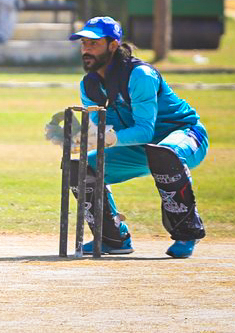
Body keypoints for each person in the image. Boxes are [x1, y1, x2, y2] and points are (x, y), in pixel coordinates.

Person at [68, 16, 207, 258]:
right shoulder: (89, 85)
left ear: (113, 45)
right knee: (81, 167)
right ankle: (113, 238)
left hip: (184, 136)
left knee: (164, 153)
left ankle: (187, 233)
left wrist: (105, 138)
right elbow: (99, 130)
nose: (86, 49)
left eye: (94, 43)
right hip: (139, 147)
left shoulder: (140, 74)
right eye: (84, 43)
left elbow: (145, 131)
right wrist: (78, 137)